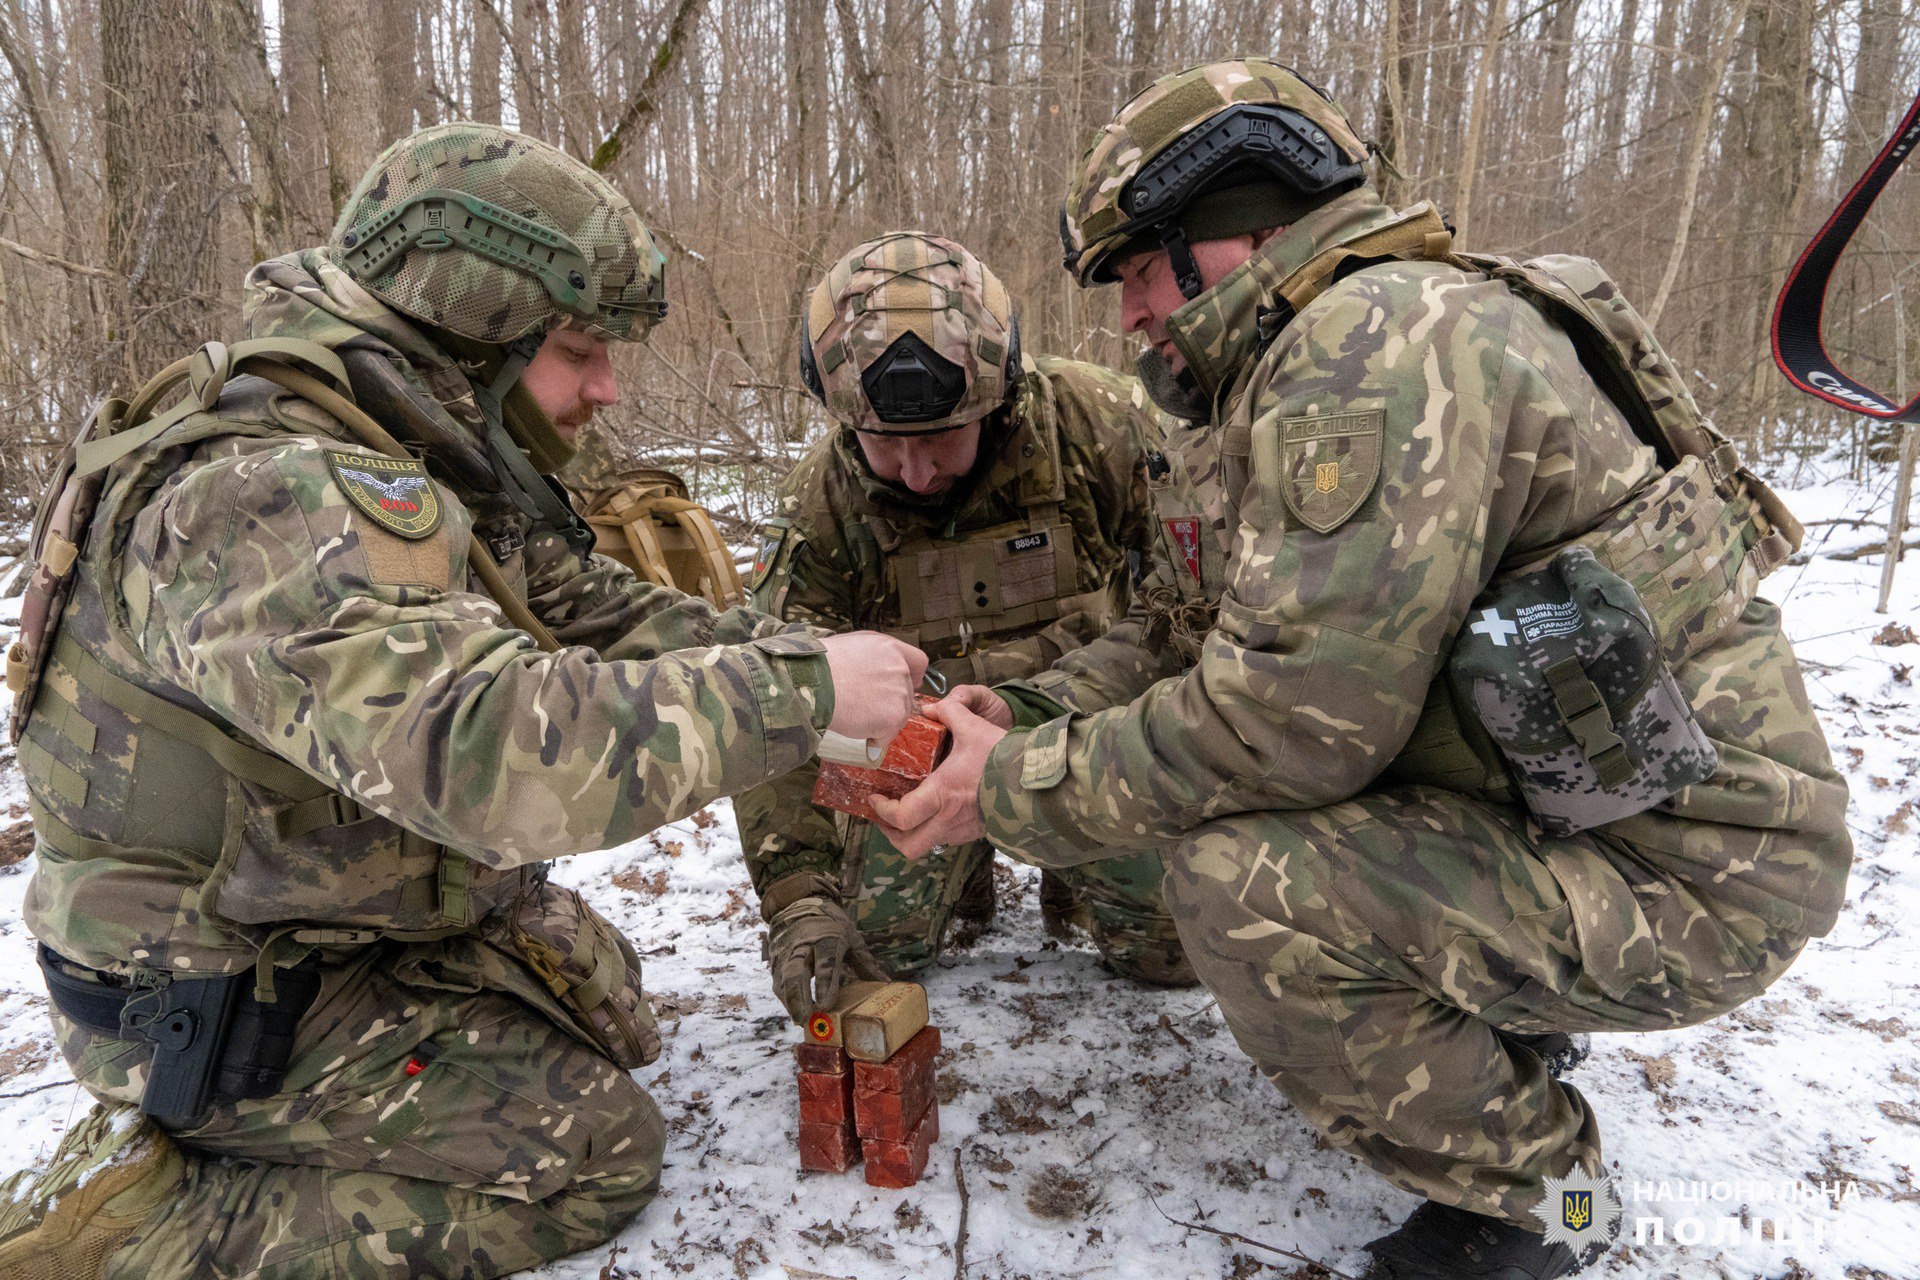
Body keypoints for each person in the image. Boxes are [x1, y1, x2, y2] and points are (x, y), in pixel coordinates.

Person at [873, 60, 1851, 1280]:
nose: (1126, 316)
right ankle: (1499, 1021)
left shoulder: (1378, 343)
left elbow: (1290, 724)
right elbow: (1183, 635)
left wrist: (1006, 787)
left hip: (1699, 872)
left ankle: (1547, 1205)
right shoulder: (1276, 380)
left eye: (1134, 270)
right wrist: (1019, 712)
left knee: (1240, 877)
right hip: (1578, 813)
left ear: (1232, 230)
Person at [0, 122, 924, 1279]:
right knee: (595, 1150)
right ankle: (142, 1231)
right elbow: (489, 760)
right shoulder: (269, 494)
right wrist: (800, 690)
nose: (606, 388)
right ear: (470, 328)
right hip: (202, 989)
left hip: (300, 917)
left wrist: (846, 672)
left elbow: (591, 611)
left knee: (605, 998)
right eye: (579, 349)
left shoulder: (398, 443)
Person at [737, 231, 1194, 1022]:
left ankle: (1068, 871)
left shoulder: (1101, 428)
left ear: (1000, 396)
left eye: (943, 438)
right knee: (877, 951)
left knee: (1174, 951)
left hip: (1086, 736)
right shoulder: (818, 509)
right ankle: (962, 873)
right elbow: (778, 710)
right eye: (887, 444)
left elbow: (1189, 605)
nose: (918, 474)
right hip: (909, 753)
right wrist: (799, 899)